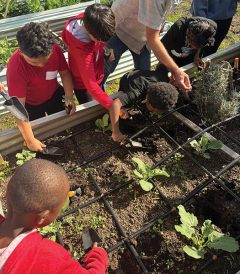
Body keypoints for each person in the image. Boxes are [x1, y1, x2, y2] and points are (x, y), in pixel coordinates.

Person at [0, 159, 108, 273]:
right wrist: (98, 256)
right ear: (42, 217)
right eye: (59, 209)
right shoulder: (48, 257)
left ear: (7, 190)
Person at [6, 22, 76, 152]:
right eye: (34, 62)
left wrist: (69, 97)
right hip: (31, 106)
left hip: (54, 95)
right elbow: (18, 108)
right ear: (21, 52)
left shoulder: (54, 49)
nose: (41, 65)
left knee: (63, 125)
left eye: (46, 60)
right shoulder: (16, 68)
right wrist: (30, 139)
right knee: (39, 134)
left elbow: (65, 74)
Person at [103, 0, 192, 91]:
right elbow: (153, 39)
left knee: (144, 75)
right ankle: (97, 99)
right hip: (120, 28)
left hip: (142, 37)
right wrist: (175, 70)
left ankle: (129, 97)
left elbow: (162, 10)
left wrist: (159, 24)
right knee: (104, 69)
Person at [62, 3, 115, 109]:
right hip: (85, 87)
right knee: (93, 112)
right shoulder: (82, 53)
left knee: (101, 99)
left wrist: (107, 50)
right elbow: (91, 86)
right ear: (88, 32)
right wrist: (113, 106)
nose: (101, 41)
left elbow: (99, 42)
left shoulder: (91, 18)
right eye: (99, 39)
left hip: (96, 76)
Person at [110, 69, 179, 142]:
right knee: (125, 104)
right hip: (129, 79)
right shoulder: (134, 93)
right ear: (147, 99)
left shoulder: (164, 81)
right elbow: (115, 104)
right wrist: (116, 132)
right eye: (153, 110)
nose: (153, 112)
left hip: (144, 75)